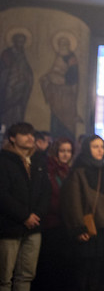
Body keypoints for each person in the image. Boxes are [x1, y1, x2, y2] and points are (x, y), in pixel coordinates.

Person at [61, 134, 104, 291]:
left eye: (102, 147)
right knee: (83, 270)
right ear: (87, 149)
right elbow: (73, 201)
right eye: (95, 147)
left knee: (99, 270)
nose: (100, 150)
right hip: (88, 229)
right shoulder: (78, 172)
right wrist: (79, 227)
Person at [0, 122, 49, 291]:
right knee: (4, 277)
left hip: (34, 227)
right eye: (24, 134)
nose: (30, 137)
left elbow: (45, 191)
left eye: (32, 134)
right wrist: (24, 216)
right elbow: (3, 195)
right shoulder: (4, 161)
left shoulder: (38, 161)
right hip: (9, 227)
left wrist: (36, 215)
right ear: (12, 138)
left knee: (26, 275)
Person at [33, 137, 75, 291]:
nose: (65, 155)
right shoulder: (47, 169)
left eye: (69, 151)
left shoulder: (69, 171)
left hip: (66, 224)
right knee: (49, 264)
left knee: (63, 265)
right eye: (62, 151)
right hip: (50, 223)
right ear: (55, 151)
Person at [39, 33, 80, 139]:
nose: (62, 46)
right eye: (61, 44)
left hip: (66, 93)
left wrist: (58, 78)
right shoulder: (58, 56)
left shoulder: (71, 58)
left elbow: (72, 77)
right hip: (56, 93)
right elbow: (54, 71)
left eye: (64, 44)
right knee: (56, 117)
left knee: (66, 120)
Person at [0, 33, 34, 129]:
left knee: (17, 111)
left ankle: (16, 128)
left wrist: (27, 78)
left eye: (22, 42)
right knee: (7, 111)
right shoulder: (7, 53)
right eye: (19, 41)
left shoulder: (22, 54)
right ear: (14, 41)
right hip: (9, 87)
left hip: (21, 88)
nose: (20, 44)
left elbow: (26, 70)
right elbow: (4, 68)